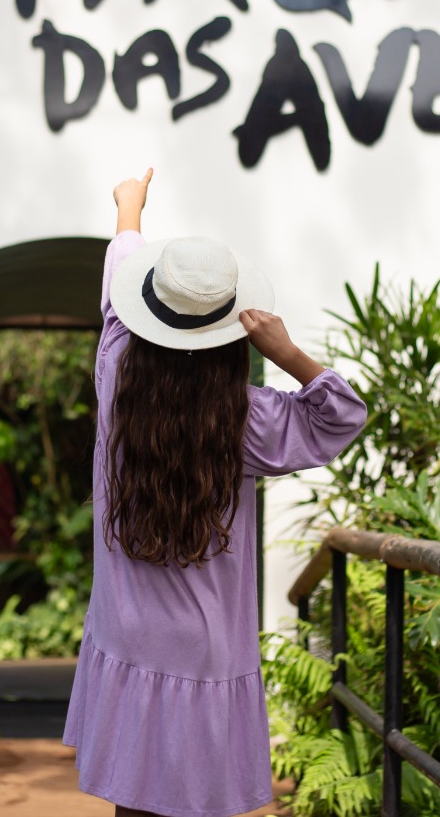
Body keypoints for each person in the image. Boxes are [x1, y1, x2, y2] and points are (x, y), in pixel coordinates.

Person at [62, 168, 368, 817]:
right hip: (206, 651)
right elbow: (342, 416)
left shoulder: (116, 377)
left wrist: (128, 207)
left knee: (133, 801)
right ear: (231, 330)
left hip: (130, 633)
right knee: (197, 802)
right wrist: (285, 352)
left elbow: (116, 288)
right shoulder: (246, 419)